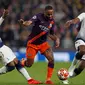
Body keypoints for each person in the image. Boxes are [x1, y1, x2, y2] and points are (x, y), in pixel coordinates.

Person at [19, 5, 60, 84]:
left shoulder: (52, 22)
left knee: (51, 60)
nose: (50, 16)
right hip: (32, 43)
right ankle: (24, 62)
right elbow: (29, 22)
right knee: (29, 64)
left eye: (51, 14)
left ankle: (48, 80)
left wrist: (57, 39)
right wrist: (24, 23)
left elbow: (51, 34)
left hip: (43, 44)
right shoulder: (38, 16)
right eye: (48, 14)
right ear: (44, 12)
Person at [0, 9, 42, 84]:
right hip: (0, 49)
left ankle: (30, 80)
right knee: (13, 64)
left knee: (14, 64)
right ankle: (30, 80)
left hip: (3, 47)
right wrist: (3, 17)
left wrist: (3, 16)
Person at [61, 12, 85, 84]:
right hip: (81, 39)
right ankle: (71, 68)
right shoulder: (84, 14)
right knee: (82, 50)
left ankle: (66, 77)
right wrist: (71, 22)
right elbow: (77, 20)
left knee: (81, 67)